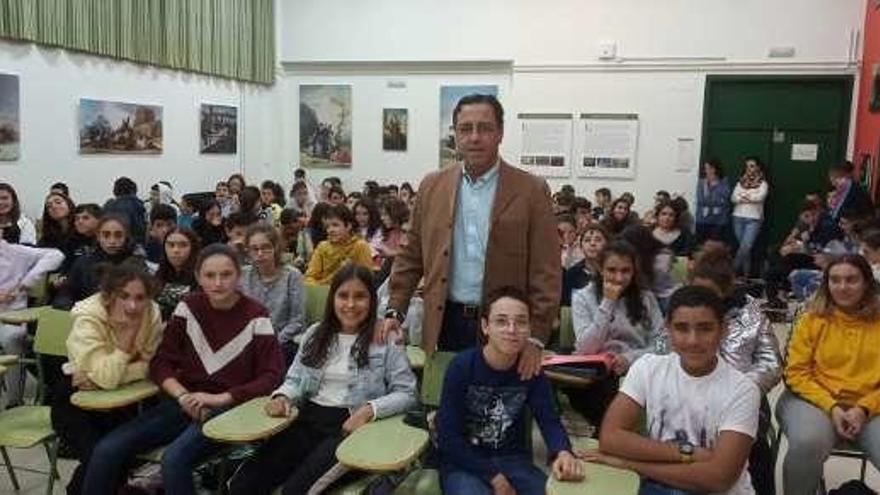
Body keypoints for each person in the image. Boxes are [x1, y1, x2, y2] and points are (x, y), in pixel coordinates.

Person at [82, 243, 284, 495]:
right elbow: (161, 361)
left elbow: (272, 376)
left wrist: (219, 398)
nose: (218, 282)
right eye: (210, 275)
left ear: (238, 276)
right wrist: (182, 395)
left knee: (174, 460)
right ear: (198, 277)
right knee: (107, 449)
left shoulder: (257, 315)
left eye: (226, 274)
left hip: (229, 407)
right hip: (183, 401)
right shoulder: (188, 307)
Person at [383, 94, 560, 378]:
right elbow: (411, 253)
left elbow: (546, 272)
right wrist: (395, 310)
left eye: (485, 128)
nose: (475, 137)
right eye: (465, 129)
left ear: (500, 133)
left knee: (498, 414)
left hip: (505, 326)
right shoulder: (432, 185)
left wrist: (536, 338)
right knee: (444, 411)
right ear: (455, 134)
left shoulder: (531, 190)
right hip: (445, 320)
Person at [229, 265, 417, 494]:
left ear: (372, 300)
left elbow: (407, 393)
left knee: (295, 491)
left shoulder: (385, 336)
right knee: (243, 484)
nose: (350, 305)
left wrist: (369, 410)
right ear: (332, 298)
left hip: (350, 428)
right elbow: (295, 378)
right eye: (343, 296)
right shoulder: (316, 333)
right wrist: (283, 396)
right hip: (307, 420)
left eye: (360, 297)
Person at [583, 285, 760, 495]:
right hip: (656, 487)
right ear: (668, 329)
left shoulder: (742, 390)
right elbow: (611, 437)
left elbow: (718, 478)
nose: (693, 340)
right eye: (682, 328)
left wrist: (630, 463)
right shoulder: (648, 367)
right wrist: (689, 452)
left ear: (723, 330)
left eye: (705, 328)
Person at [436, 286, 584, 494]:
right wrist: (493, 476)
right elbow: (448, 438)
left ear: (529, 329)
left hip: (513, 461)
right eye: (501, 321)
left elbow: (549, 420)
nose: (512, 329)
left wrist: (563, 452)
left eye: (521, 322)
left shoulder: (530, 370)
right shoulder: (461, 367)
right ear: (485, 326)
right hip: (465, 463)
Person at [658, 247, 781, 495]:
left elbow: (772, 363)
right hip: (686, 389)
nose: (701, 300)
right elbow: (663, 348)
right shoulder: (681, 309)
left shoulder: (752, 314)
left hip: (742, 395)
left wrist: (739, 390)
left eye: (710, 294)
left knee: (750, 445)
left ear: (726, 291)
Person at [51, 264, 163, 495]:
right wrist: (125, 344)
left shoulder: (152, 312)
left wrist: (114, 372)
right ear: (109, 295)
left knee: (119, 456)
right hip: (75, 399)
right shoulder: (89, 316)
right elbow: (108, 377)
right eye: (124, 296)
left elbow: (151, 365)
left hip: (121, 398)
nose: (133, 306)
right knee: (99, 457)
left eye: (140, 298)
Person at [777, 254, 880, 495]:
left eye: (851, 280)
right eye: (835, 280)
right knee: (807, 443)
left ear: (867, 282)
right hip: (811, 400)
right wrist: (832, 406)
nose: (842, 287)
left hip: (872, 406)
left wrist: (864, 408)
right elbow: (795, 374)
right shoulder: (811, 317)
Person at [569, 240, 664, 428]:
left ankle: (609, 434)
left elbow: (662, 343)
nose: (619, 278)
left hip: (638, 366)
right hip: (597, 370)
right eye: (611, 270)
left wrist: (630, 358)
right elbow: (585, 348)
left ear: (633, 271)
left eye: (625, 271)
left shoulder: (646, 298)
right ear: (600, 269)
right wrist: (608, 302)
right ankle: (609, 433)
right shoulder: (582, 296)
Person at [0, 228, 64, 406]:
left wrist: (25, 282)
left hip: (11, 314)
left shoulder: (14, 251)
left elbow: (56, 255)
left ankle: (14, 401)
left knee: (13, 339)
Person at [241, 224, 305, 365]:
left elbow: (297, 321)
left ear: (276, 247)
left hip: (281, 341)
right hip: (248, 340)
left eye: (266, 247)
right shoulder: (243, 275)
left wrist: (272, 341)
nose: (260, 253)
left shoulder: (292, 276)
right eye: (254, 249)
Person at [63, 215, 148, 307]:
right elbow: (68, 292)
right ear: (98, 237)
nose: (112, 241)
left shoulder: (137, 264)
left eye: (118, 235)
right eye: (106, 235)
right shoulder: (83, 262)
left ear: (126, 237)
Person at [304, 205, 374, 285]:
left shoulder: (360, 246)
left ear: (348, 226)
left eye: (335, 225)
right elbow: (309, 278)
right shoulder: (322, 247)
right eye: (327, 227)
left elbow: (367, 280)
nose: (330, 230)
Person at [731, 157, 769, 277]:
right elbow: (733, 198)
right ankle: (746, 275)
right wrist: (748, 197)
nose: (749, 169)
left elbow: (760, 197)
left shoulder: (763, 183)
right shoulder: (740, 182)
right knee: (744, 249)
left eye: (752, 166)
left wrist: (743, 197)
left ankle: (732, 271)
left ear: (758, 167)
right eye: (747, 166)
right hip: (738, 217)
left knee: (746, 246)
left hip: (754, 219)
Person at [154, 227, 201, 321]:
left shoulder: (201, 275)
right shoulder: (159, 274)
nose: (176, 250)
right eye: (171, 245)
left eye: (183, 245)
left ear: (193, 248)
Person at [562, 224, 608, 306]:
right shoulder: (572, 274)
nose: (592, 244)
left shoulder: (613, 271)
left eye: (598, 240)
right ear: (581, 246)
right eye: (587, 240)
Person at [695, 159, 731, 243]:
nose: (706, 171)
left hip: (719, 220)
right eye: (705, 168)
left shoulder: (724, 182)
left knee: (715, 246)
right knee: (700, 245)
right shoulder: (701, 183)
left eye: (708, 168)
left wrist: (716, 185)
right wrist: (716, 201)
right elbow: (701, 200)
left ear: (714, 169)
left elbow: (725, 200)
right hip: (702, 219)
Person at [103, 177, 146, 244]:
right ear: (133, 190)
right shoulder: (136, 204)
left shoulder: (108, 205)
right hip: (131, 244)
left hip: (110, 242)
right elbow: (140, 229)